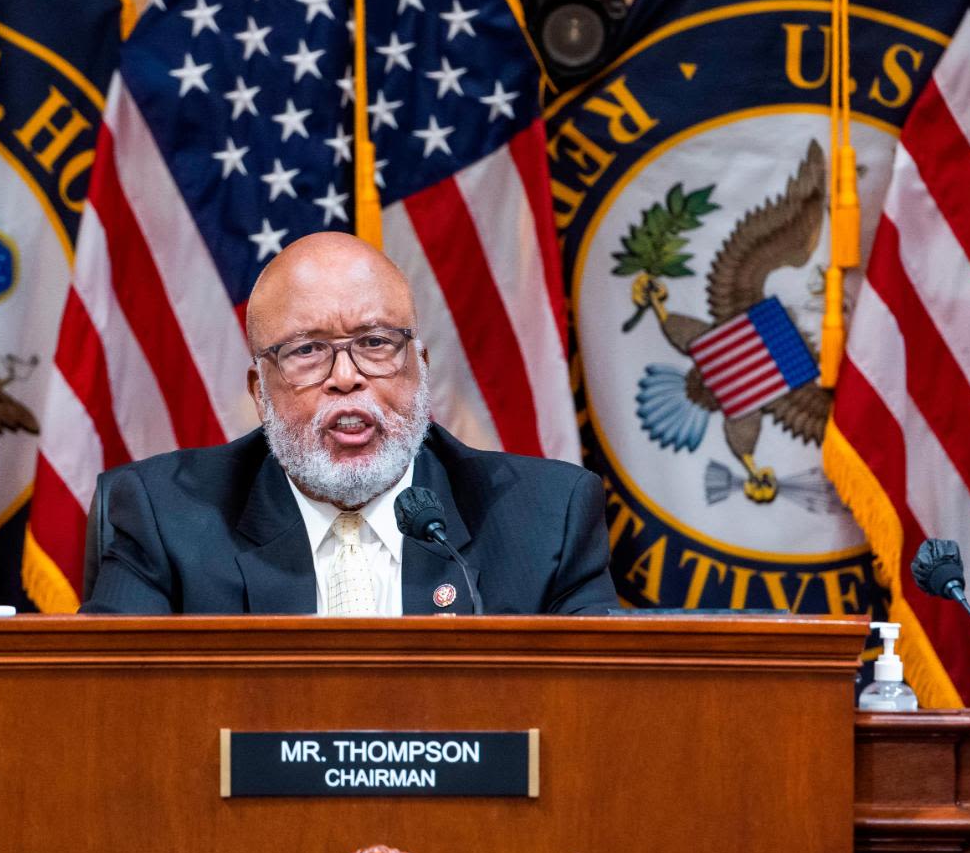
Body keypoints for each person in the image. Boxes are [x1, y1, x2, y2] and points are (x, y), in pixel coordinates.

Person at [82, 232, 618, 615]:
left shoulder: (547, 519)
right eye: (308, 351)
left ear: (420, 369)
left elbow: (593, 715)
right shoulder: (161, 516)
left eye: (376, 343)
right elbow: (111, 708)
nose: (346, 378)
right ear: (260, 394)